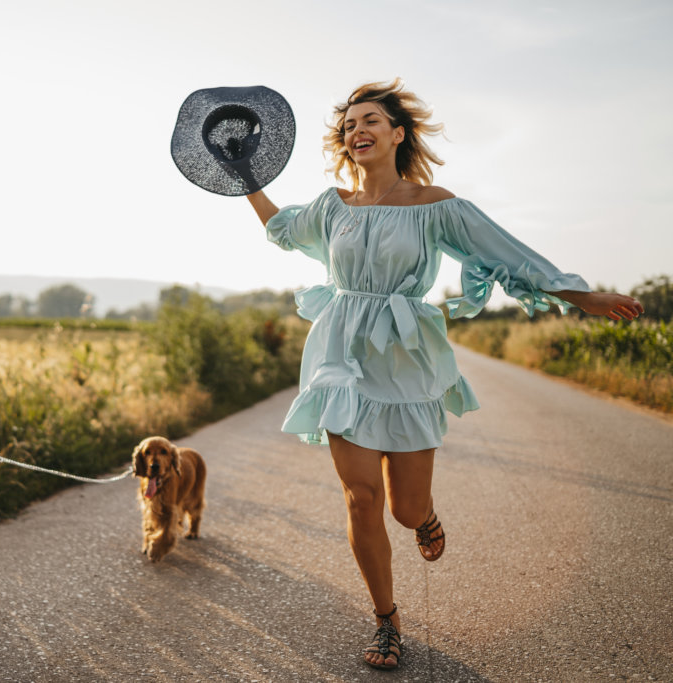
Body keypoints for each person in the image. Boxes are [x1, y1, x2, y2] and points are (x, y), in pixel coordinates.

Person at [245, 79, 643, 670]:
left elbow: (506, 251)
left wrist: (579, 295)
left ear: (398, 134)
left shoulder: (435, 205)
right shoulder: (332, 208)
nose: (358, 131)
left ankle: (424, 517)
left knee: (405, 509)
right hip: (340, 356)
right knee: (360, 499)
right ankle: (386, 620)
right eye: (350, 125)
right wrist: (246, 178)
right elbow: (281, 229)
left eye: (371, 121)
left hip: (406, 358)